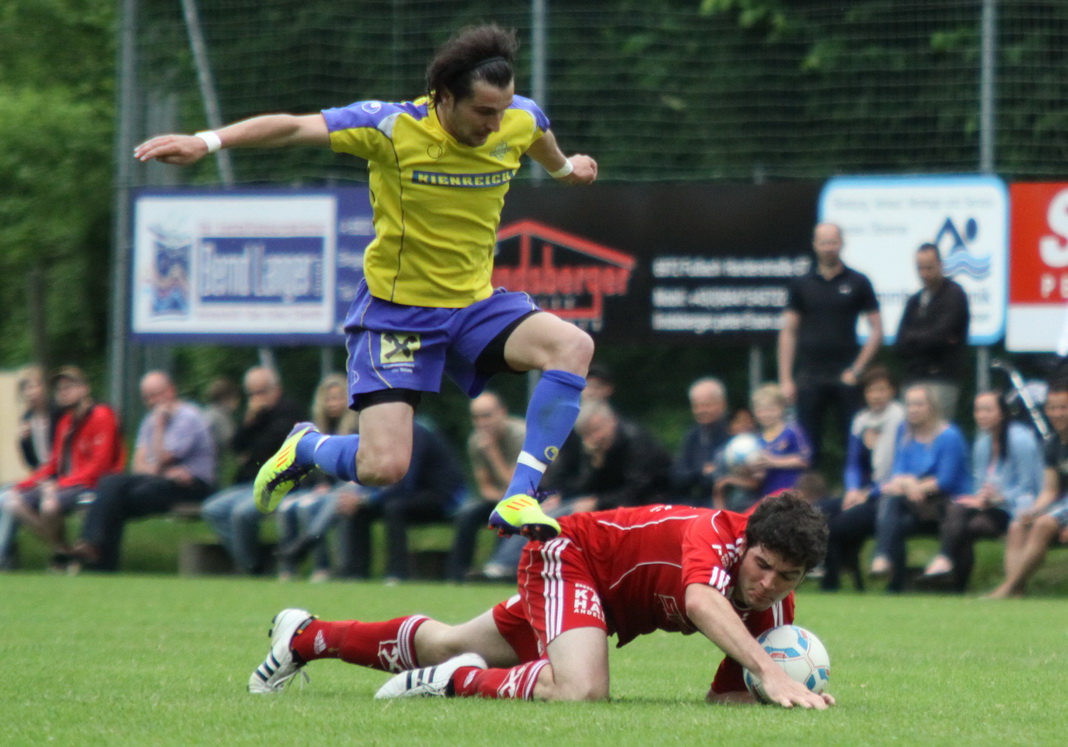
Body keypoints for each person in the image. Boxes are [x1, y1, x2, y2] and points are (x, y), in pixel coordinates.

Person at [134, 24, 598, 542]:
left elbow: (541, 140)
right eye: (483, 111)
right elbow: (292, 128)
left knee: (573, 345)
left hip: (474, 305)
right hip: (398, 315)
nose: (494, 124)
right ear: (444, 97)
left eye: (502, 110)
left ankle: (520, 496)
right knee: (384, 467)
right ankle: (306, 447)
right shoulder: (391, 127)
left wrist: (566, 170)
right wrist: (206, 141)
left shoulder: (519, 118)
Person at [247, 492, 833, 709]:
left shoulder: (775, 609)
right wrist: (768, 668)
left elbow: (723, 698)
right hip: (570, 555)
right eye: (762, 565)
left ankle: (305, 636)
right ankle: (456, 683)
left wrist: (784, 692)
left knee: (446, 642)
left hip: (599, 602)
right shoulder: (715, 532)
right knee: (582, 689)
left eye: (787, 578)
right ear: (747, 542)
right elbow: (702, 600)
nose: (767, 585)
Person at [478, 399, 674, 580]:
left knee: (559, 515)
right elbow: (575, 483)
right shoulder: (593, 448)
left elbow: (637, 491)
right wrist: (591, 467)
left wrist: (598, 501)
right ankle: (503, 565)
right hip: (603, 501)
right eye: (587, 434)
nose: (594, 438)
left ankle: (508, 566)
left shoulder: (636, 442)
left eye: (597, 430)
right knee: (535, 509)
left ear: (612, 421)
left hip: (646, 505)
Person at [67, 371, 216, 572]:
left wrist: (160, 426)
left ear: (171, 391)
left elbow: (161, 458)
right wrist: (158, 468)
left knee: (113, 498)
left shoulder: (188, 417)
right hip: (161, 481)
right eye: (147, 397)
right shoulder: (149, 420)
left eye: (157, 394)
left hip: (192, 486)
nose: (153, 401)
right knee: (110, 483)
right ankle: (92, 548)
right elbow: (139, 465)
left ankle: (95, 554)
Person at [778, 222, 882, 468]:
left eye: (833, 242)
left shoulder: (859, 282)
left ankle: (855, 488)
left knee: (854, 443)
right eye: (823, 242)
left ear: (842, 243)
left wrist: (857, 370)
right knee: (807, 447)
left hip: (846, 376)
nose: (828, 248)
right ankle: (808, 492)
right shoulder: (801, 284)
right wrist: (786, 378)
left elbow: (877, 330)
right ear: (815, 245)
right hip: (810, 375)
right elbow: (789, 332)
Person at [918, 391, 1043, 593]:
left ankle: (949, 571)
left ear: (1002, 412)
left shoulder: (1020, 440)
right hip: (990, 506)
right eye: (977, 410)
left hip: (1016, 510)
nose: (981, 415)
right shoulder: (982, 442)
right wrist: (980, 497)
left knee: (963, 523)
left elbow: (1031, 487)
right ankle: (949, 573)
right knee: (958, 510)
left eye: (987, 410)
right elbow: (979, 484)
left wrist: (999, 498)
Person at [0, 367, 124, 569]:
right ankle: (64, 550)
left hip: (95, 485)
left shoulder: (102, 415)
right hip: (67, 484)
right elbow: (53, 463)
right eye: (60, 389)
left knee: (50, 505)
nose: (63, 392)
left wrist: (58, 485)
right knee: (11, 499)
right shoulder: (65, 421)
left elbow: (99, 467)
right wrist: (26, 484)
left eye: (69, 387)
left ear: (84, 389)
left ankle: (64, 555)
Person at [201, 366, 306, 575]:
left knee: (242, 513)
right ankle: (254, 562)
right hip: (250, 483)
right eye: (252, 394)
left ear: (276, 389)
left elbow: (269, 449)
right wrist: (248, 422)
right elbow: (236, 446)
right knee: (212, 509)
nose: (257, 398)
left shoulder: (289, 412)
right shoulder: (254, 416)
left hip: (281, 484)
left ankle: (250, 568)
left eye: (262, 392)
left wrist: (252, 449)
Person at [334, 421, 467, 583]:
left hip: (441, 497)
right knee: (359, 510)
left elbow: (404, 483)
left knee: (394, 508)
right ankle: (355, 573)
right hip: (406, 495)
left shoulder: (415, 434)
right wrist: (358, 498)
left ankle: (397, 573)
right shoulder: (379, 438)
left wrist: (365, 499)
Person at [869, 384, 970, 593]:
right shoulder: (905, 434)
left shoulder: (949, 435)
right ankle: (890, 575)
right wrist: (910, 485)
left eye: (918, 404)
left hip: (945, 504)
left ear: (931, 407)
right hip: (914, 501)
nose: (913, 409)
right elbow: (897, 474)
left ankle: (883, 556)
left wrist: (916, 486)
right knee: (892, 506)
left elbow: (946, 481)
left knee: (892, 504)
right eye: (909, 405)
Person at [819, 366, 906, 592]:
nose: (876, 395)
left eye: (881, 390)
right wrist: (852, 490)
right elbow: (852, 464)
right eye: (871, 390)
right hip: (860, 493)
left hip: (884, 496)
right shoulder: (861, 420)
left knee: (835, 526)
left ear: (892, 391)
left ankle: (832, 581)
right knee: (818, 512)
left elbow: (900, 466)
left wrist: (868, 494)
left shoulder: (900, 419)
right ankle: (825, 574)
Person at [273, 373, 360, 582]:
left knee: (308, 507)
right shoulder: (316, 432)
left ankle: (322, 567)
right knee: (286, 506)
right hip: (322, 489)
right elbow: (308, 466)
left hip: (349, 486)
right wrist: (319, 484)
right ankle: (289, 566)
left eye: (338, 398)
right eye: (328, 399)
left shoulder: (357, 428)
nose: (333, 403)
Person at [987, 380, 1068, 598]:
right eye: (1053, 408)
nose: (1058, 414)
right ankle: (1017, 593)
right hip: (1061, 505)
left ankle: (1007, 588)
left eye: (1063, 408)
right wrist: (1032, 511)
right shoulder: (1052, 445)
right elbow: (1050, 491)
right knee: (1018, 525)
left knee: (1043, 524)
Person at [446, 391, 525, 582]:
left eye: (487, 416)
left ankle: (498, 570)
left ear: (502, 412)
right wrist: (501, 500)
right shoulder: (476, 440)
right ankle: (457, 576)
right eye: (476, 417)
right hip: (499, 497)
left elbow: (516, 485)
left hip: (531, 496)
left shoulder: (521, 435)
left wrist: (492, 453)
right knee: (467, 514)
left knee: (507, 514)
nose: (482, 423)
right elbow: (485, 487)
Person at [894, 243, 970, 420]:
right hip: (913, 379)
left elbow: (941, 335)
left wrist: (914, 338)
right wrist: (927, 337)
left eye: (929, 268)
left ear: (941, 265)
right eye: (920, 268)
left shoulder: (954, 294)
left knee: (937, 429)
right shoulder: (915, 300)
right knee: (911, 431)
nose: (924, 274)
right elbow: (899, 343)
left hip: (941, 379)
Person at [0, 366, 62, 569]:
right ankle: (5, 553)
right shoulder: (27, 419)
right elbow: (32, 463)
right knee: (5, 497)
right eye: (25, 388)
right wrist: (24, 442)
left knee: (11, 498)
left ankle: (60, 549)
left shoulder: (58, 414)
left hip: (59, 477)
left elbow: (62, 455)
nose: (30, 392)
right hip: (39, 478)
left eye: (34, 386)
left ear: (44, 388)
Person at [670, 377, 730, 506]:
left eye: (707, 405)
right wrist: (700, 473)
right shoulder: (692, 435)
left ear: (722, 404)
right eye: (697, 406)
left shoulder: (733, 432)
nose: (701, 410)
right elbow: (678, 475)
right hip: (695, 502)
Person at [750, 384, 812, 496]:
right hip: (768, 495)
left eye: (771, 410)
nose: (766, 414)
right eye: (761, 410)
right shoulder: (756, 440)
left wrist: (774, 461)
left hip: (792, 492)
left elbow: (805, 460)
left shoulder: (792, 431)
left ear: (782, 408)